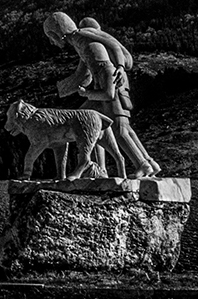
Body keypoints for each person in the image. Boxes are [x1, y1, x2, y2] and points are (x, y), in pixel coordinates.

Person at [42, 10, 160, 178]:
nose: (51, 42)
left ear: (57, 32)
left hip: (110, 82)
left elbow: (112, 45)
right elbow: (83, 74)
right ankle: (101, 168)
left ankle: (143, 164)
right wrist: (63, 88)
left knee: (120, 129)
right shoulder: (79, 42)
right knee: (87, 120)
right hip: (105, 82)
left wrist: (118, 66)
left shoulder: (82, 36)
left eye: (51, 36)